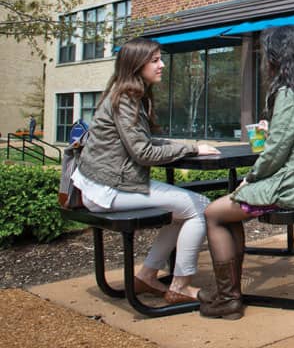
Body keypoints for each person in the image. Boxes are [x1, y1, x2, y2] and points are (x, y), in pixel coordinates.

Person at [198, 25, 294, 320]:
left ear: (276, 55)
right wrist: (272, 130)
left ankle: (227, 298)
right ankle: (230, 294)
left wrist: (251, 178)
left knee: (213, 213)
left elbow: (275, 153)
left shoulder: (289, 91)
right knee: (226, 213)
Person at [73, 37, 220, 304]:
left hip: (105, 184)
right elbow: (143, 153)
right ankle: (179, 286)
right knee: (201, 207)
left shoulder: (129, 93)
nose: (162, 65)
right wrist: (192, 149)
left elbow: (144, 142)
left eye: (160, 59)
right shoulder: (126, 98)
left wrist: (190, 146)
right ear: (136, 64)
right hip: (108, 188)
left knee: (183, 212)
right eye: (155, 60)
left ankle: (147, 276)